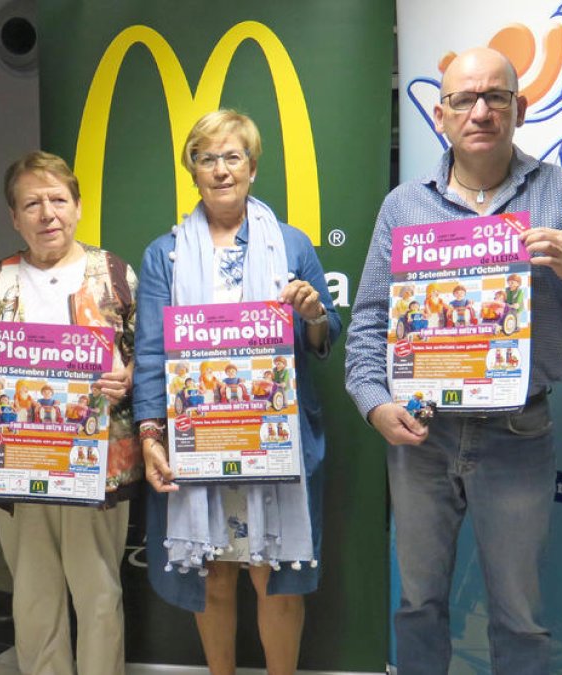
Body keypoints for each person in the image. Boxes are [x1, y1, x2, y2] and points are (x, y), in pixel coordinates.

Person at [345, 47, 562, 674]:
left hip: (518, 430)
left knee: (519, 614)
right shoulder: (405, 207)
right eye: (463, 99)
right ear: (440, 115)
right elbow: (369, 320)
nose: (480, 111)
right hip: (420, 434)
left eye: (495, 97)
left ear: (520, 107)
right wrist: (374, 404)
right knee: (419, 602)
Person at [134, 109, 341, 675]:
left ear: (252, 167)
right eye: (207, 158)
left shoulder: (292, 245)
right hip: (199, 438)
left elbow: (325, 337)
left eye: (232, 157)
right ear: (192, 171)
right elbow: (151, 353)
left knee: (276, 579)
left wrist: (314, 313)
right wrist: (151, 436)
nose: (220, 170)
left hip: (276, 440)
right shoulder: (165, 254)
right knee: (216, 573)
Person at [0, 151, 139, 675]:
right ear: (15, 217)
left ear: (78, 206)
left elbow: (148, 361)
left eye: (58, 200)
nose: (48, 214)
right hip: (18, 466)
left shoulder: (113, 275)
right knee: (35, 600)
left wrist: (126, 377)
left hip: (97, 466)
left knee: (99, 595)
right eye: (32, 204)